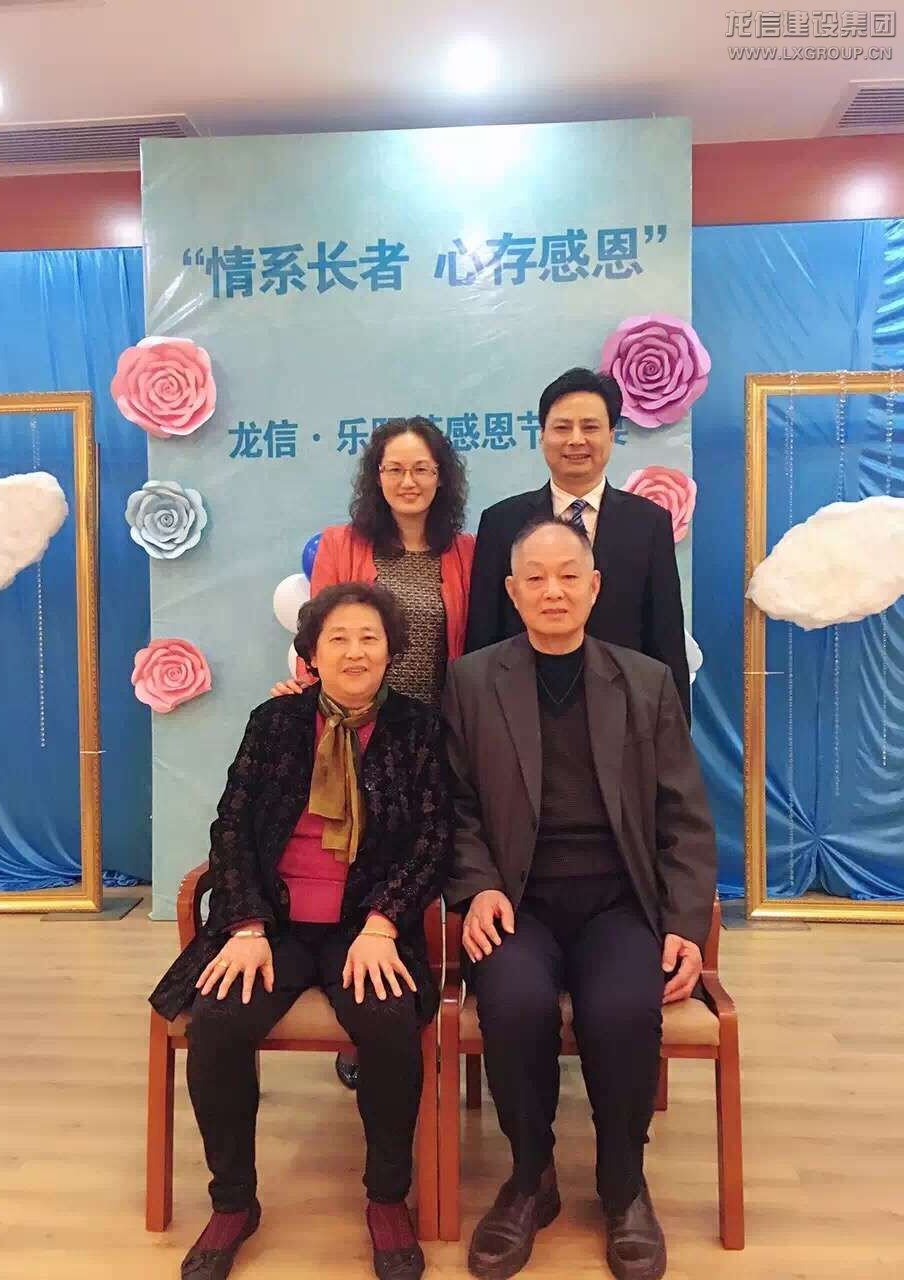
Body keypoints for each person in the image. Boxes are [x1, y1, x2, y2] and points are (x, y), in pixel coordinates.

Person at [150, 582, 453, 1280]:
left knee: (388, 1023)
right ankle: (233, 1202)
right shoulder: (275, 722)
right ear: (311, 652)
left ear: (391, 651)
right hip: (274, 925)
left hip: (366, 924)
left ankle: (386, 1198)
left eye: (369, 638)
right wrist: (245, 923)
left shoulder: (419, 728)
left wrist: (384, 922)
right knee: (218, 1021)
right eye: (338, 638)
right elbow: (231, 826)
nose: (355, 651)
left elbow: (434, 838)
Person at [442, 519, 716, 1280]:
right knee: (514, 1002)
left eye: (569, 576)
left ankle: (624, 1184)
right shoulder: (472, 682)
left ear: (594, 588)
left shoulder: (645, 681)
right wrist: (479, 887)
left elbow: (685, 816)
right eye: (535, 577)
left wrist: (685, 923)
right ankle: (530, 1177)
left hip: (617, 901)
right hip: (518, 899)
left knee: (623, 1008)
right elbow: (455, 807)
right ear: (512, 591)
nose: (553, 591)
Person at [271, 414, 474, 1088]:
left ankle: (423, 1000)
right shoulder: (343, 543)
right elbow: (322, 633)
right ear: (376, 477)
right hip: (358, 732)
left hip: (436, 736)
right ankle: (365, 1017)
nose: (407, 481)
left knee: (428, 863)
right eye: (394, 469)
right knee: (361, 865)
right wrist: (302, 695)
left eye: (421, 468)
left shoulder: (467, 553)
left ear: (441, 477)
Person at [464, 368, 691, 721]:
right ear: (542, 435)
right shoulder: (501, 522)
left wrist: (675, 733)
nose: (575, 440)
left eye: (590, 427)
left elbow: (666, 638)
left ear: (611, 436)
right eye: (562, 427)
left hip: (624, 717)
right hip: (520, 716)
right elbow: (483, 636)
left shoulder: (648, 524)